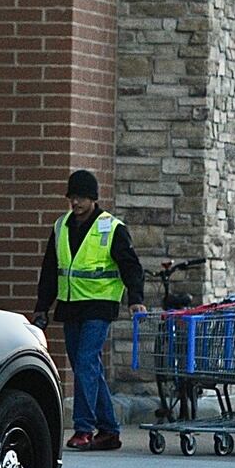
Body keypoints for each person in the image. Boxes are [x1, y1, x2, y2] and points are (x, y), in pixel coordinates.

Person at [33, 169, 145, 450]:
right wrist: (41, 308)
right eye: (72, 197)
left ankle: (83, 429)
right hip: (71, 305)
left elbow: (131, 266)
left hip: (100, 305)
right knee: (88, 366)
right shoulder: (61, 227)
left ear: (93, 199)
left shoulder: (112, 228)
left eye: (81, 197)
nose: (76, 202)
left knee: (84, 361)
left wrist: (135, 298)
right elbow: (49, 270)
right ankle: (109, 430)